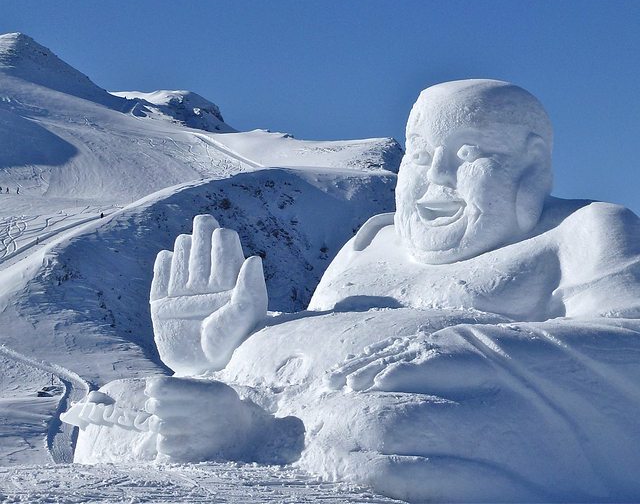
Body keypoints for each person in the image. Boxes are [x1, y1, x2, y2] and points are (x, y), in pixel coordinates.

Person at [66, 80, 640, 503]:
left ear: (532, 165)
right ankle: (243, 431)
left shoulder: (585, 231)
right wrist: (222, 354)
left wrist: (452, 348)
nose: (436, 175)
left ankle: (261, 434)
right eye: (419, 154)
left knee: (390, 428)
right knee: (112, 408)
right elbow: (320, 350)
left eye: (471, 156)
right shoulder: (372, 244)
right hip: (306, 415)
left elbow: (627, 354)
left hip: (421, 421)